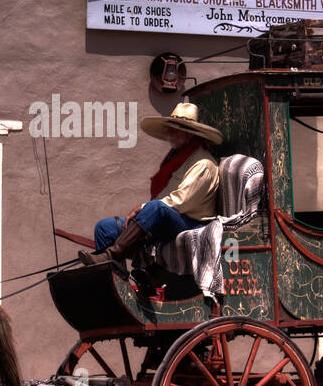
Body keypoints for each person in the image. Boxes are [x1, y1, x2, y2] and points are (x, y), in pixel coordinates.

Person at [79, 101, 222, 268]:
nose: (169, 133)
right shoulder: (178, 160)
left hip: (192, 224)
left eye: (174, 129)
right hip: (169, 218)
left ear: (188, 134)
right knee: (104, 228)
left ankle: (113, 254)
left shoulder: (203, 164)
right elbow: (163, 199)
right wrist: (144, 214)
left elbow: (179, 202)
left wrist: (143, 207)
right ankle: (115, 280)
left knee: (155, 208)